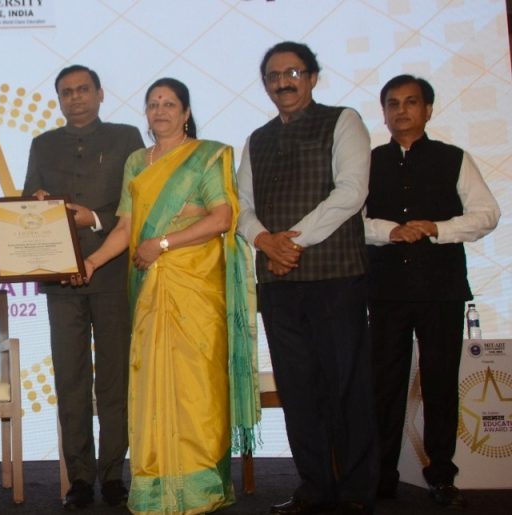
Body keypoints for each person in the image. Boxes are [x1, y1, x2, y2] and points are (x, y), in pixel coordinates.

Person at [74, 78, 259, 514]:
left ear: (186, 112)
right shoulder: (137, 162)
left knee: (197, 387)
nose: (160, 110)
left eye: (170, 103)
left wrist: (163, 244)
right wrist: (92, 262)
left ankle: (199, 489)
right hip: (151, 289)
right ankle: (158, 486)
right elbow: (125, 226)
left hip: (196, 286)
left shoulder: (208, 155)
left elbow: (222, 218)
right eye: (153, 103)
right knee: (151, 383)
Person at [236, 41, 378, 514]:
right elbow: (242, 208)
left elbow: (351, 192)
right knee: (297, 389)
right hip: (278, 284)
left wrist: (290, 243)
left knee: (346, 385)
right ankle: (314, 487)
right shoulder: (257, 139)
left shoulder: (343, 121)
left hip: (335, 277)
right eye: (274, 76)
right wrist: (264, 241)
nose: (283, 82)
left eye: (293, 73)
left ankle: (356, 491)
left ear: (313, 77)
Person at [365, 75, 500, 508]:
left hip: (441, 289)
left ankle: (442, 475)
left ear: (427, 110)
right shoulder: (367, 163)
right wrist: (389, 231)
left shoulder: (453, 158)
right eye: (393, 103)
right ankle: (381, 476)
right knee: (384, 385)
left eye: (411, 102)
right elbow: (351, 222)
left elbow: (487, 214)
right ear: (384, 112)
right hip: (385, 290)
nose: (401, 111)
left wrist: (437, 228)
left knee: (440, 383)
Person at [23, 64, 144, 509]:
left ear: (100, 94)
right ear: (59, 99)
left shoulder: (127, 138)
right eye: (66, 92)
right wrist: (36, 206)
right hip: (60, 280)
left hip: (111, 274)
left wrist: (93, 218)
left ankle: (113, 475)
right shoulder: (42, 144)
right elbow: (28, 202)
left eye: (83, 89)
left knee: (114, 381)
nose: (75, 98)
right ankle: (79, 478)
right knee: (71, 380)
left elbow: (139, 205)